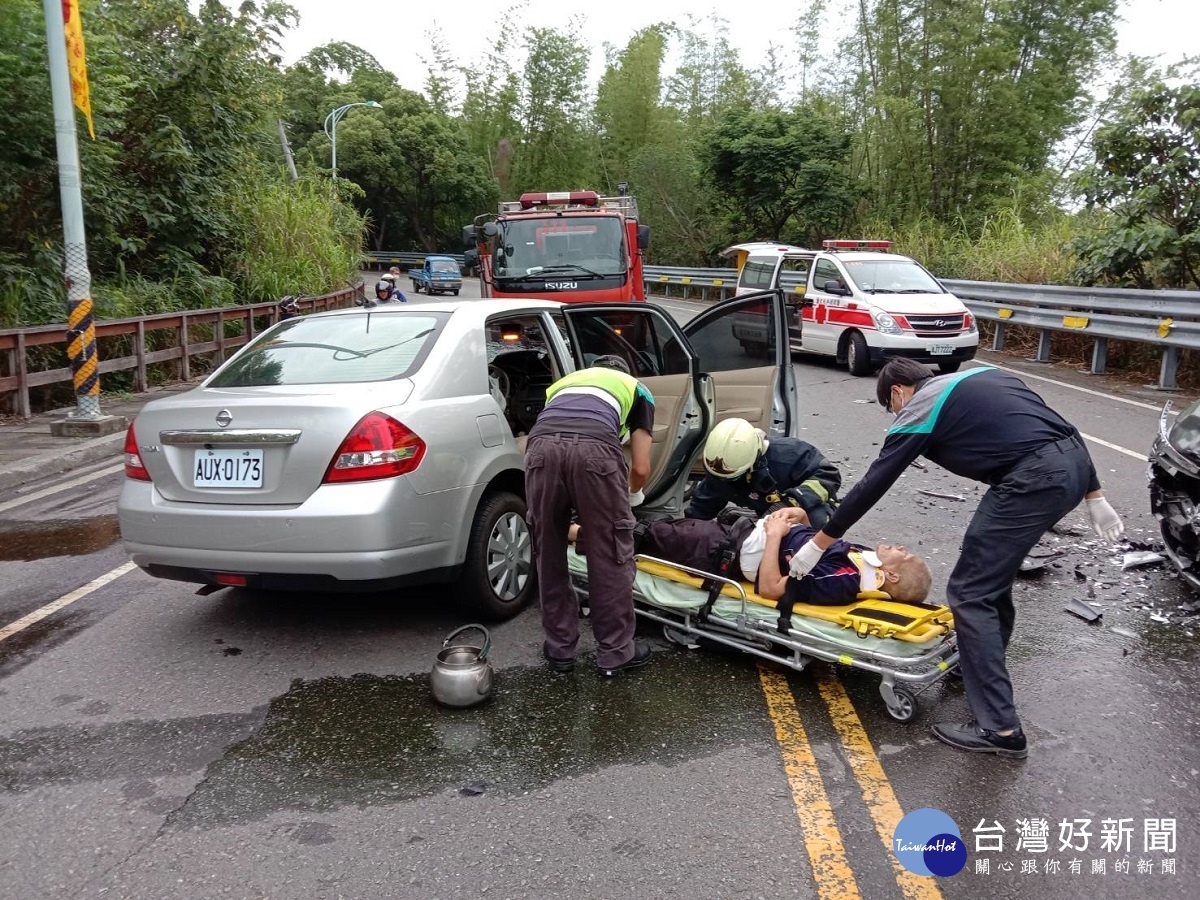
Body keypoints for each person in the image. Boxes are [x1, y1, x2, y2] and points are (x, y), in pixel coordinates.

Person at [787, 358, 1125, 760]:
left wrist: (819, 543)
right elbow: (1064, 431)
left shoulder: (921, 406)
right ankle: (976, 667)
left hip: (1029, 481)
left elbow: (874, 482)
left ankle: (1000, 728)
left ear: (897, 392)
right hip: (1066, 469)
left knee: (970, 592)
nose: (897, 416)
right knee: (989, 581)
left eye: (892, 407)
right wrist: (1094, 494)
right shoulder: (988, 375)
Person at [525, 355, 656, 677]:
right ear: (627, 373)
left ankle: (559, 650)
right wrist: (629, 497)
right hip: (595, 451)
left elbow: (557, 436)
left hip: (539, 450)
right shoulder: (638, 390)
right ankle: (615, 654)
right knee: (611, 554)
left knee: (548, 551)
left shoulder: (563, 385)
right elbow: (640, 468)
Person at [741, 507, 931, 605]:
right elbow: (812, 552)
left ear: (892, 576)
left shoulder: (840, 582)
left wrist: (774, 534)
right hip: (764, 532)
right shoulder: (864, 562)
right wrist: (802, 517)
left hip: (747, 546)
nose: (902, 547)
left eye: (905, 555)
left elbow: (770, 588)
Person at [685, 417, 842, 528]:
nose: (729, 481)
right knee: (727, 523)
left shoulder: (790, 454)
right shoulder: (721, 468)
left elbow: (829, 475)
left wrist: (791, 502)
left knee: (816, 529)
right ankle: (760, 520)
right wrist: (688, 529)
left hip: (811, 507)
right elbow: (702, 507)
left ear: (756, 459)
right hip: (767, 510)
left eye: (735, 476)